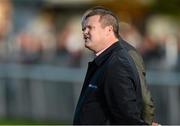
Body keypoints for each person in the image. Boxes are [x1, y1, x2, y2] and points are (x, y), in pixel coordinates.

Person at [73, 6, 152, 125]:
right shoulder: (106, 59)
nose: (84, 32)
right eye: (84, 28)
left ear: (109, 30)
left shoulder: (117, 64)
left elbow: (127, 118)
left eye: (90, 27)